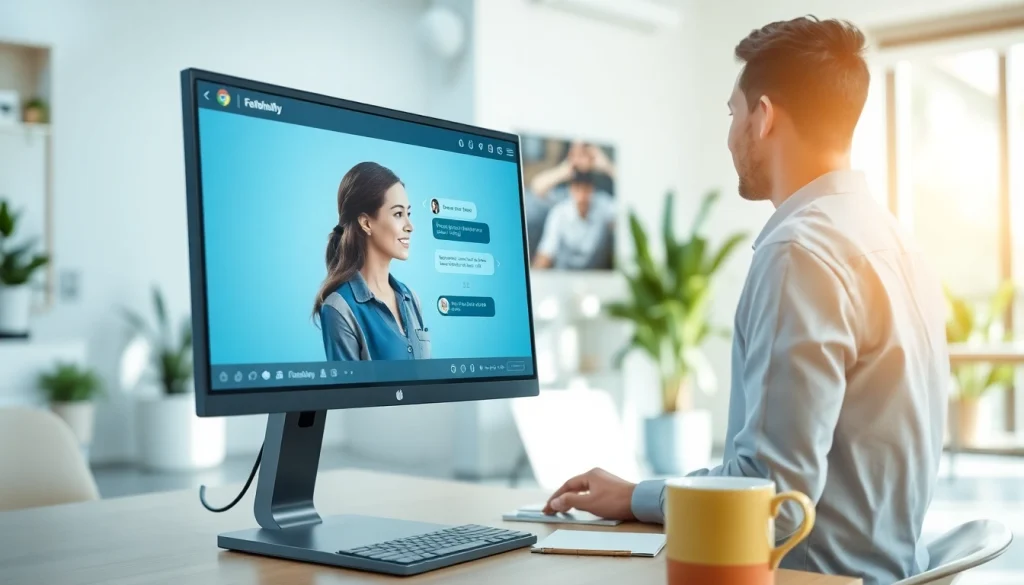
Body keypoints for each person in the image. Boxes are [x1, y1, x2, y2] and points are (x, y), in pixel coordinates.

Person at [543, 17, 948, 585]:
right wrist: (638, 494)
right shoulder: (895, 239)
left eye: (732, 114)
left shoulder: (799, 250)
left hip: (807, 576)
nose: (731, 133)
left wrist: (638, 498)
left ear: (763, 117)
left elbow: (770, 505)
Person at [314, 161, 431, 361]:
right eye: (398, 214)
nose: (410, 226)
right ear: (367, 223)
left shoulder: (411, 299)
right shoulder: (339, 308)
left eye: (408, 214)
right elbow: (348, 391)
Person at [531, 142, 616, 269]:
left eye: (585, 153)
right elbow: (537, 187)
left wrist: (605, 165)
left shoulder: (602, 204)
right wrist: (568, 167)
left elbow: (631, 201)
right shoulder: (561, 208)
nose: (582, 195)